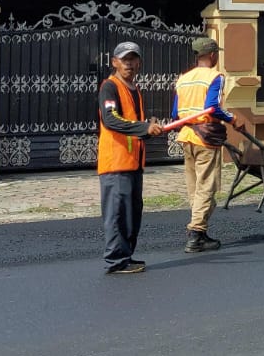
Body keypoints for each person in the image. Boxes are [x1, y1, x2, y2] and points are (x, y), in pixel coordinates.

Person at [172, 36, 247, 254]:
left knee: (195, 188)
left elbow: (175, 113)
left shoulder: (183, 79)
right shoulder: (215, 77)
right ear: (213, 55)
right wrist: (233, 119)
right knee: (206, 186)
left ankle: (199, 230)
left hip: (187, 137)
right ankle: (196, 234)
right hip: (206, 139)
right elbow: (212, 106)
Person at [98, 41, 163, 274]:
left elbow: (132, 123)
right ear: (114, 62)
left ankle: (126, 256)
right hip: (116, 163)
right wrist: (144, 127)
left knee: (131, 214)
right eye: (124, 59)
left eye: (133, 59)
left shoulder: (134, 89)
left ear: (139, 63)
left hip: (133, 163)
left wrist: (148, 128)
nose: (129, 63)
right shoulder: (110, 87)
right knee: (118, 214)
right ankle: (116, 260)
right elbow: (111, 120)